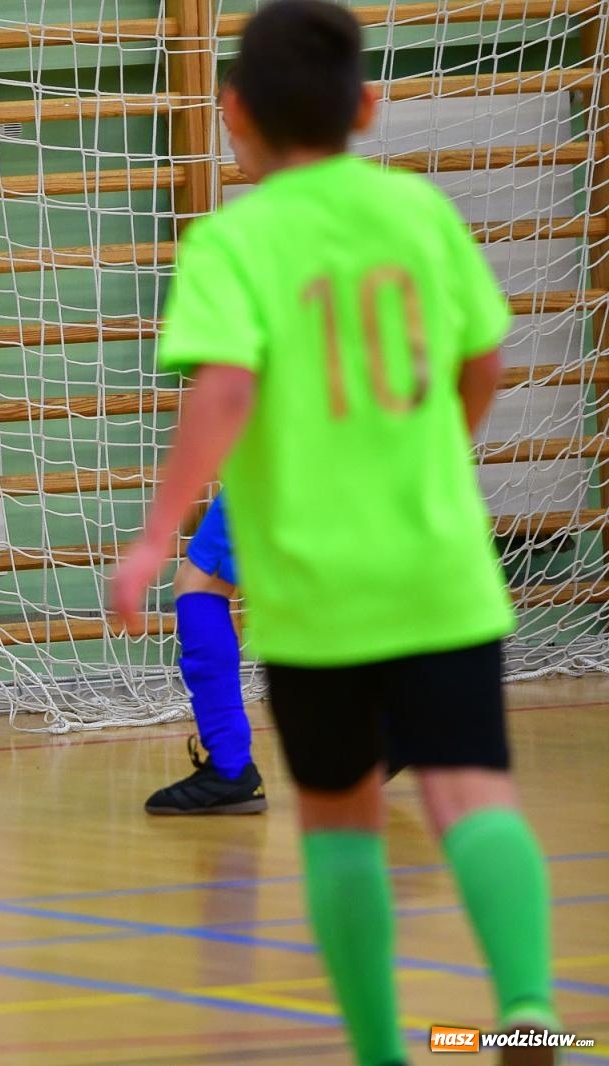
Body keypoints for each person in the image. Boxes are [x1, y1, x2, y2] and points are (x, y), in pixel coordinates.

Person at [108, 3, 558, 1063]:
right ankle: (529, 1004)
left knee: (339, 817)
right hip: (439, 566)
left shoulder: (232, 239)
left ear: (230, 115)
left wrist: (154, 534)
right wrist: (440, 444)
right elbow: (485, 354)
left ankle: (382, 1051)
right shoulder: (416, 214)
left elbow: (223, 388)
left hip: (315, 590)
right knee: (468, 791)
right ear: (365, 105)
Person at [146, 493, 267, 815]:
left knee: (201, 586)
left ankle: (230, 766)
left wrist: (155, 536)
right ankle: (400, 721)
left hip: (285, 458)